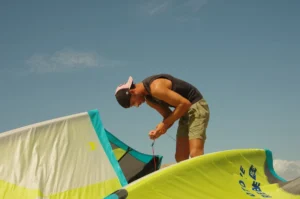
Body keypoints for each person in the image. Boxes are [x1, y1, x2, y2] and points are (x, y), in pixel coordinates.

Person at [114, 74, 210, 162]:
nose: (137, 105)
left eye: (133, 103)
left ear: (132, 92)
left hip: (196, 106)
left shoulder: (155, 87)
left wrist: (164, 124)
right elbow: (168, 116)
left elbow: (185, 104)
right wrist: (158, 131)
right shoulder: (149, 100)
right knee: (180, 157)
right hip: (183, 112)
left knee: (195, 153)